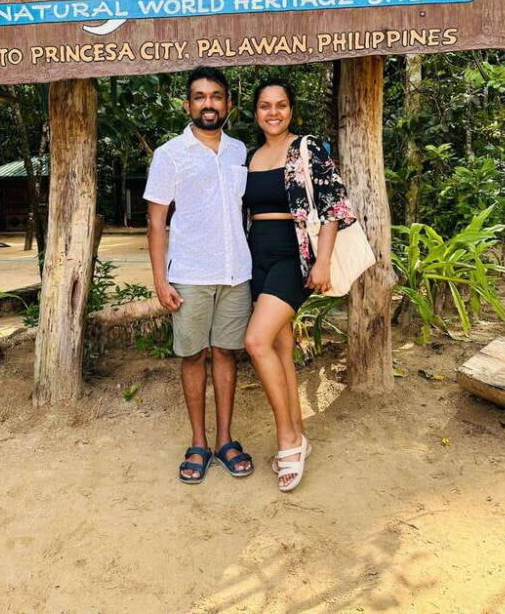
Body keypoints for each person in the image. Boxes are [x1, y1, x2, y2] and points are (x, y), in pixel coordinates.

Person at [242, 79, 355, 492]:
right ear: (256, 112)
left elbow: (334, 208)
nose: (274, 112)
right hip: (258, 257)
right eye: (266, 106)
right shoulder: (250, 157)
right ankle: (298, 433)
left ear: (291, 109)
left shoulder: (306, 148)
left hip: (295, 256)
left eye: (281, 105)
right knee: (280, 346)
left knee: (256, 341)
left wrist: (322, 261)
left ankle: (288, 437)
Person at [144, 66, 254, 484]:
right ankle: (198, 443)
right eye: (199, 96)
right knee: (193, 356)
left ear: (228, 103)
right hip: (189, 273)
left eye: (216, 96)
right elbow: (156, 222)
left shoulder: (240, 150)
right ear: (188, 104)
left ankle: (225, 440)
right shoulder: (170, 154)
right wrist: (160, 279)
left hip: (235, 272)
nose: (208, 104)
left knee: (226, 354)